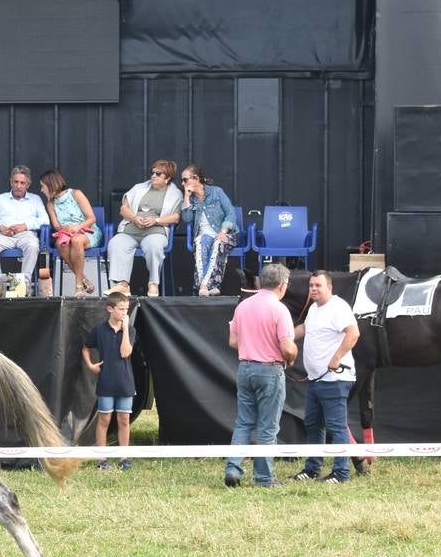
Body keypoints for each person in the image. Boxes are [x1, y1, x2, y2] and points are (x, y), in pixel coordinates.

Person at [224, 264, 298, 488]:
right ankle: (264, 478)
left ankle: (233, 469)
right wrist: (292, 356)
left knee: (244, 422)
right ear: (282, 286)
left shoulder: (243, 306)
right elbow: (287, 348)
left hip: (245, 368)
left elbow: (233, 341)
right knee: (267, 426)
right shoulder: (279, 309)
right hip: (270, 370)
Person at [291, 271, 360, 484]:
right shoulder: (314, 309)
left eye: (318, 285)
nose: (313, 289)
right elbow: (305, 329)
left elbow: (353, 333)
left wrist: (336, 358)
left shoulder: (338, 307)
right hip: (316, 379)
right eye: (311, 285)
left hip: (335, 379)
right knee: (313, 424)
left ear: (329, 287)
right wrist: (283, 336)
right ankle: (313, 469)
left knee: (336, 427)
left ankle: (341, 473)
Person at [107, 160, 182, 298]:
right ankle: (123, 285)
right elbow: (124, 209)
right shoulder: (139, 188)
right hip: (131, 230)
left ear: (168, 178)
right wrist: (135, 218)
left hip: (155, 232)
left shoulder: (175, 194)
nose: (153, 175)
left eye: (158, 173)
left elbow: (176, 217)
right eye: (152, 172)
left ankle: (153, 283)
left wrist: (156, 220)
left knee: (154, 246)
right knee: (115, 243)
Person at [84, 292, 136, 470]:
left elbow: (125, 352)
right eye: (121, 309)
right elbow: (85, 346)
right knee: (104, 420)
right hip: (106, 382)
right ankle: (102, 459)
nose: (124, 313)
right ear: (110, 309)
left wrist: (126, 329)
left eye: (127, 309)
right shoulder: (99, 331)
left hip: (125, 382)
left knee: (123, 419)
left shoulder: (130, 330)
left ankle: (124, 458)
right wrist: (91, 365)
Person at [0, 165, 49, 283]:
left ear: (28, 184)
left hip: (26, 235)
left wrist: (25, 226)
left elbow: (45, 220)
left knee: (33, 246)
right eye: (16, 182)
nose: (18, 185)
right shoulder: (0, 199)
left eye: (22, 183)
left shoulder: (35, 199)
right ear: (11, 182)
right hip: (4, 235)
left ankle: (23, 285)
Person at [39, 169, 101, 297]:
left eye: (42, 186)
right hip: (67, 234)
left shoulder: (76, 194)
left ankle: (78, 286)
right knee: (61, 243)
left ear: (51, 185)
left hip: (88, 231)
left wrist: (76, 227)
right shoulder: (50, 204)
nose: (41, 190)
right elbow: (56, 225)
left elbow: (91, 218)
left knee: (77, 240)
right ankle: (84, 279)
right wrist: (63, 228)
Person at [178, 164, 237, 297]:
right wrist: (186, 198)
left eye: (185, 180)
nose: (183, 183)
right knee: (200, 243)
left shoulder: (216, 192)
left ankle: (203, 285)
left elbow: (231, 213)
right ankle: (212, 286)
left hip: (224, 232)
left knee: (217, 244)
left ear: (196, 178)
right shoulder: (191, 198)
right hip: (204, 235)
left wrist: (223, 231)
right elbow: (187, 219)